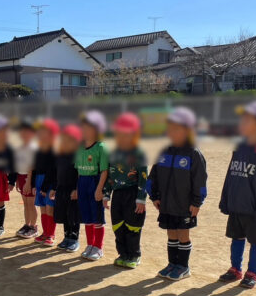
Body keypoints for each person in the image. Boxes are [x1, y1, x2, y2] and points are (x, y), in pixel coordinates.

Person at [219, 101, 256, 289]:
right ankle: (235, 269)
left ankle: (252, 272)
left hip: (253, 208)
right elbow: (231, 173)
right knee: (236, 237)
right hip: (236, 204)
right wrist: (226, 199)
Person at [147, 107, 207, 281]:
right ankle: (172, 264)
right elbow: (153, 176)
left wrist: (197, 202)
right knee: (171, 233)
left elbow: (200, 182)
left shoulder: (193, 154)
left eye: (177, 129)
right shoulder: (164, 152)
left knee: (183, 234)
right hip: (166, 203)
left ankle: (183, 267)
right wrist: (154, 196)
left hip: (184, 204)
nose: (172, 132)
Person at [103, 113, 148, 269]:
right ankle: (123, 254)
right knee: (118, 225)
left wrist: (141, 199)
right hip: (118, 195)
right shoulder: (114, 153)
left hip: (133, 193)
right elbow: (109, 176)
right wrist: (106, 194)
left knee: (132, 225)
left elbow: (144, 178)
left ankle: (134, 255)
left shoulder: (138, 153)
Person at [76, 110, 109, 261]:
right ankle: (90, 245)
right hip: (82, 182)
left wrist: (99, 188)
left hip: (95, 182)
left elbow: (104, 171)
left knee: (97, 216)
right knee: (87, 216)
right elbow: (78, 171)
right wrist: (77, 188)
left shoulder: (101, 147)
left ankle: (98, 247)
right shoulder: (80, 147)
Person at [27, 118, 59, 246]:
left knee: (50, 208)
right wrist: (34, 184)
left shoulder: (54, 150)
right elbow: (35, 168)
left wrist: (48, 187)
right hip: (39, 181)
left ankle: (51, 234)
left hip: (50, 182)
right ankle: (45, 233)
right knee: (43, 209)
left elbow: (54, 171)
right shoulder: (38, 149)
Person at [50, 124, 82, 252]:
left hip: (72, 190)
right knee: (64, 214)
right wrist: (54, 188)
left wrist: (77, 189)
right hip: (61, 188)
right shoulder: (60, 155)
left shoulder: (78, 156)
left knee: (73, 215)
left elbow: (80, 174)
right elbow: (56, 173)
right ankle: (66, 237)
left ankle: (74, 239)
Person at [14, 118, 39, 239]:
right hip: (21, 176)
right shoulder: (19, 147)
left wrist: (28, 182)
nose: (24, 134)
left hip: (30, 178)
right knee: (25, 203)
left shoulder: (33, 147)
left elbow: (31, 166)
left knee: (31, 203)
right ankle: (27, 224)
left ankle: (33, 227)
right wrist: (18, 180)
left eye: (27, 131)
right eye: (22, 131)